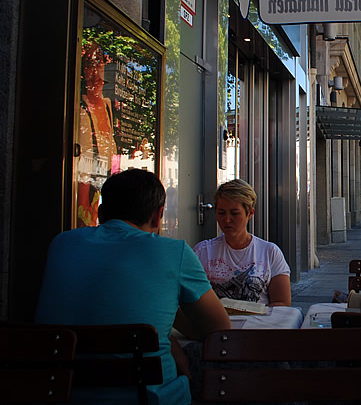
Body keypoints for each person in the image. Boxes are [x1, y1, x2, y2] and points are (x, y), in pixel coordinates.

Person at [36, 169, 230, 404]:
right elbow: (218, 327)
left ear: (100, 212)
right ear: (159, 216)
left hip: (59, 394)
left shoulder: (62, 244)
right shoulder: (173, 252)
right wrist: (167, 330)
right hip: (148, 398)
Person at [194, 179, 291, 306]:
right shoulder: (202, 252)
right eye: (221, 213)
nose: (227, 219)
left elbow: (282, 302)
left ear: (250, 213)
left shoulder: (270, 252)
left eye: (234, 213)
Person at [76, 40, 119, 227]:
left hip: (106, 173)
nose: (96, 79)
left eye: (99, 63)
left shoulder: (108, 105)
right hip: (86, 174)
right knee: (85, 221)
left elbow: (112, 144)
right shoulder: (81, 106)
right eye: (91, 66)